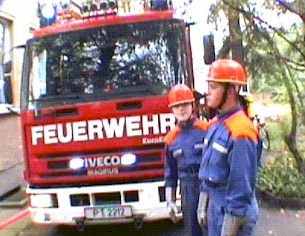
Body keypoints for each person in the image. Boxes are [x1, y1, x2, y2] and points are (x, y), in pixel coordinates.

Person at [197, 59, 262, 236]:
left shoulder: (242, 130)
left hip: (233, 211)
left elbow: (241, 186)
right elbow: (208, 169)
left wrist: (230, 226)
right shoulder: (215, 124)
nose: (207, 93)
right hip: (216, 206)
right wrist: (204, 201)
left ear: (232, 89)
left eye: (213, 87)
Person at [164, 84, 208, 236]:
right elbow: (170, 174)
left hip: (206, 186)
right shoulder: (171, 139)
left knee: (211, 229)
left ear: (192, 105)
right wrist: (170, 201)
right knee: (192, 231)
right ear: (172, 110)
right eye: (177, 106)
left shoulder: (206, 129)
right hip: (186, 188)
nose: (181, 109)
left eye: (184, 104)